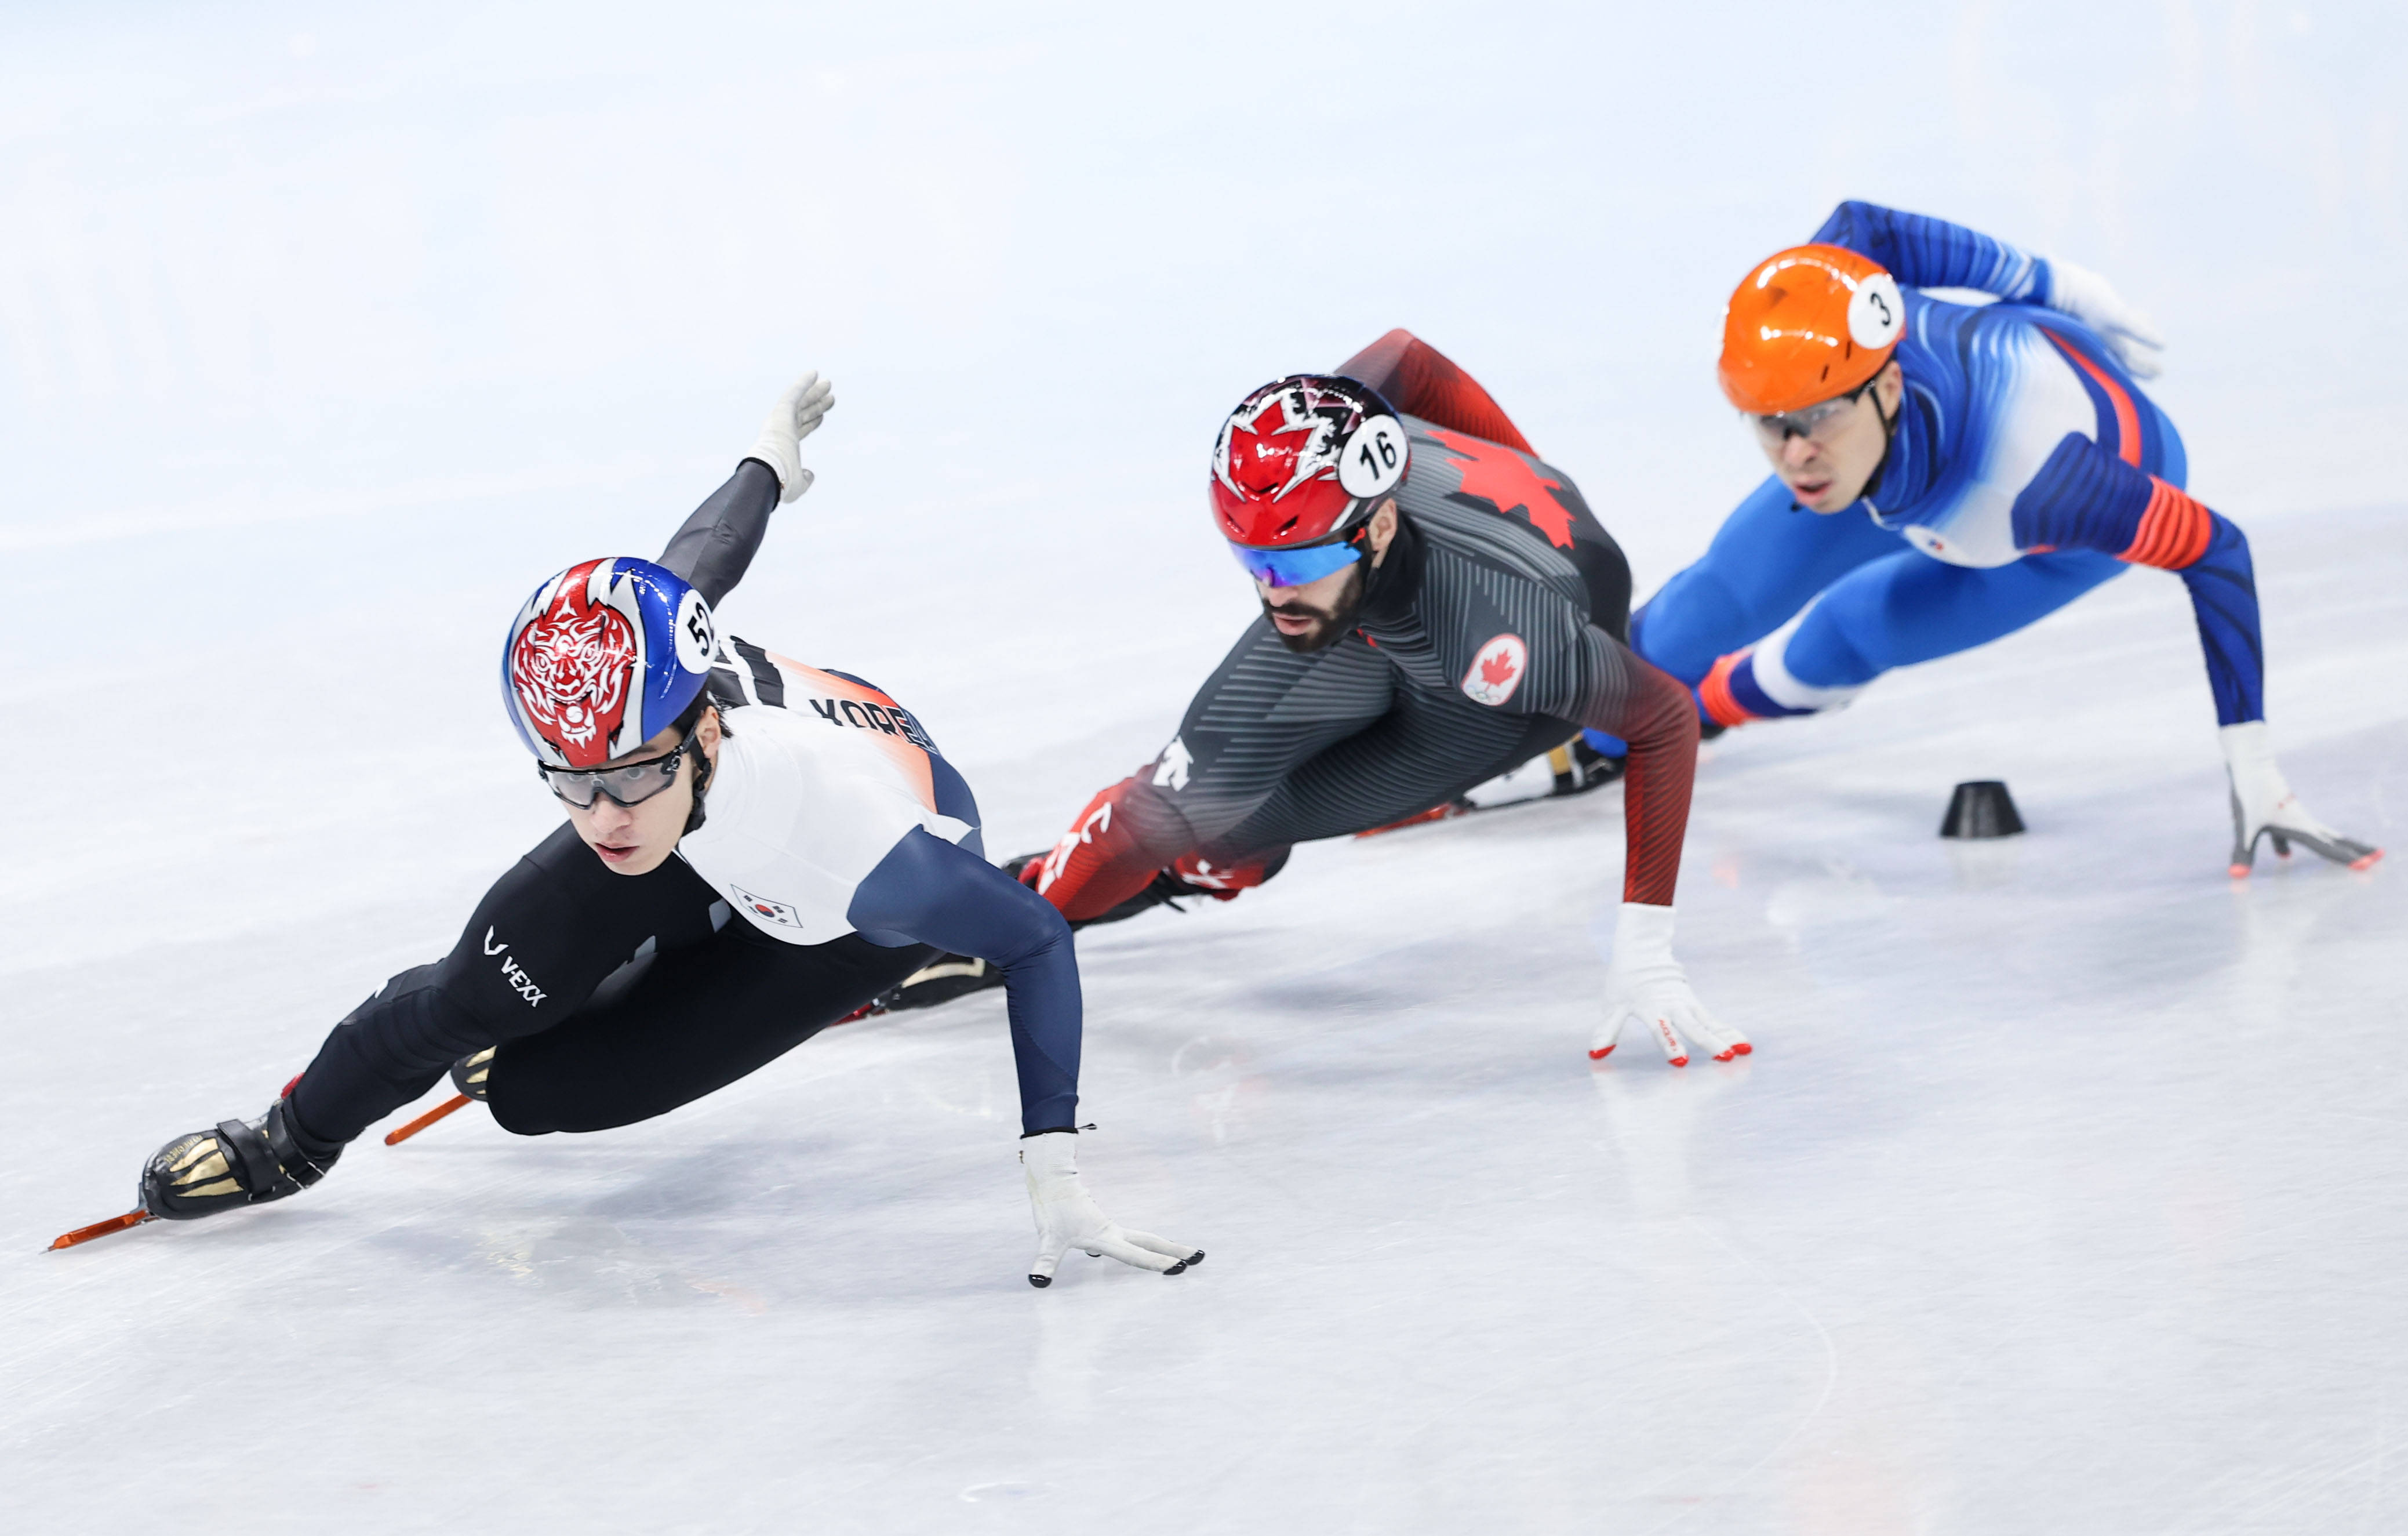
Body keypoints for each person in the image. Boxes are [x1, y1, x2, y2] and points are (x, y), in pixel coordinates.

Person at [132, 374, 1198, 1288]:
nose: (601, 815)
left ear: (700, 724)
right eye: (567, 780)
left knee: (540, 1093)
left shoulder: (851, 840)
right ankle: (291, 1141)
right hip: (714, 827)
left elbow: (1035, 940)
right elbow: (700, 554)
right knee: (479, 998)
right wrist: (769, 460)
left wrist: (1052, 1163)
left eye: (629, 774)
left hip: (842, 897)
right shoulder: (634, 697)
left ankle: (877, 959)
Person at [901, 333, 1747, 1069]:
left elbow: (1665, 715)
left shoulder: (1496, 643)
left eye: (1295, 565)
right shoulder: (1336, 438)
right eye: (1253, 562)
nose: (1274, 592)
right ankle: (1041, 907)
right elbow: (1410, 358)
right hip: (1386, 612)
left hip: (1488, 703)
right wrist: (1526, 473)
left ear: (1376, 526)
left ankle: (1056, 920)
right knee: (1165, 804)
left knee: (1230, 834)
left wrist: (1646, 944)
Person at [1629, 202, 2380, 876]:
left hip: (2037, 540)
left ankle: (1703, 712)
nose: (1793, 452)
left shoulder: (2048, 487)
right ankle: (1596, 725)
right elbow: (1866, 226)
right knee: (1713, 600)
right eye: (1772, 422)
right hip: (1903, 453)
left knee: (1847, 634)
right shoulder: (1835, 329)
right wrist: (2055, 281)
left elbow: (2216, 550)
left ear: (1885, 389)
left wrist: (2252, 766)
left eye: (1815, 416)